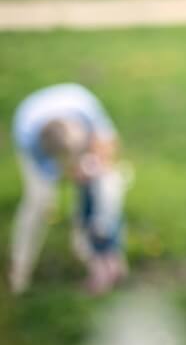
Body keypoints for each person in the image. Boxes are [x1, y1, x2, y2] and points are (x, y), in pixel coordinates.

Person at [9, 83, 128, 295]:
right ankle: (19, 269)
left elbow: (109, 144)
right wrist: (71, 171)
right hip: (33, 127)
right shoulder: (29, 138)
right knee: (39, 201)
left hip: (74, 118)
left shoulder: (86, 109)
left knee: (104, 187)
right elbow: (50, 173)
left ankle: (93, 249)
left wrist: (95, 164)